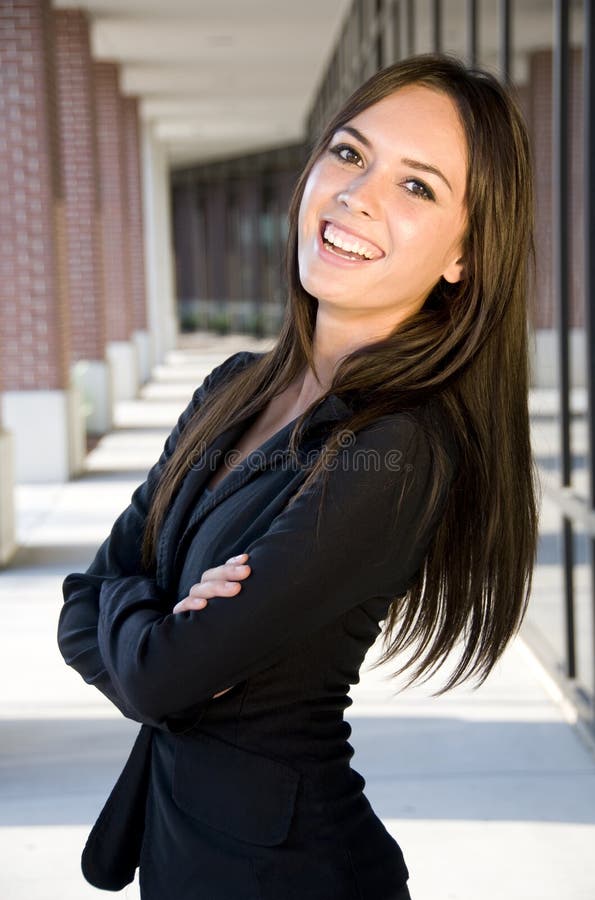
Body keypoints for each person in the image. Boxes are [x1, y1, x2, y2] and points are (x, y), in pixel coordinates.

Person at [57, 52, 538, 900]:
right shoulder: (232, 388)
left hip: (290, 872)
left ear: (465, 256)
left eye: (418, 187)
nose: (358, 195)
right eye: (351, 154)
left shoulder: (399, 448)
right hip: (182, 854)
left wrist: (134, 615)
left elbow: (153, 675)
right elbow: (76, 610)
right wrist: (160, 624)